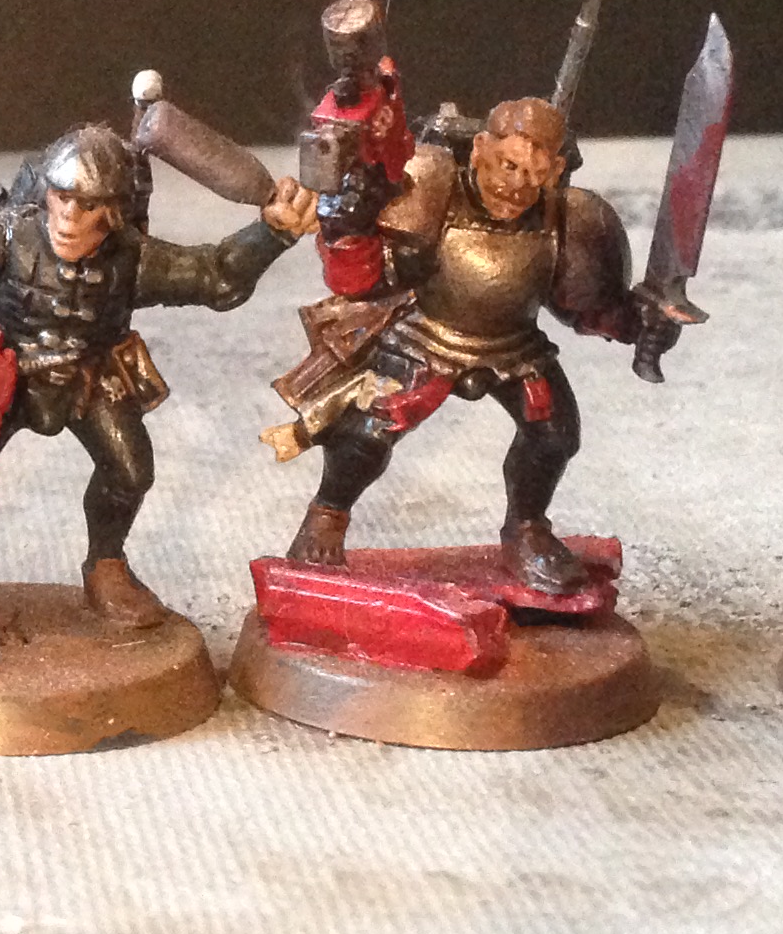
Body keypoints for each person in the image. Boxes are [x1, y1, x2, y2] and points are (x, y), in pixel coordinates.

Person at [0, 121, 313, 630]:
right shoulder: (7, 235)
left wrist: (273, 233)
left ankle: (107, 563)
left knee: (129, 471)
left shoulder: (132, 259)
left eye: (87, 205)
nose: (69, 217)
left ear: (112, 211)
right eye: (62, 198)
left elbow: (215, 277)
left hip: (90, 379)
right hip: (5, 372)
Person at [281, 95, 674, 592]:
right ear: (481, 149)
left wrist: (644, 323)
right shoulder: (433, 189)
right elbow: (370, 278)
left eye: (534, 173)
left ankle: (527, 528)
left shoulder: (569, 218)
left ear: (555, 171)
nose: (518, 185)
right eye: (508, 165)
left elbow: (589, 310)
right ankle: (327, 514)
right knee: (366, 434)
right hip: (425, 337)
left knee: (555, 435)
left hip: (516, 347)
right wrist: (350, 232)